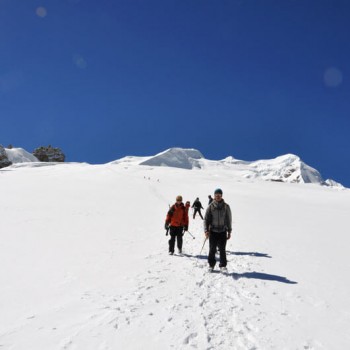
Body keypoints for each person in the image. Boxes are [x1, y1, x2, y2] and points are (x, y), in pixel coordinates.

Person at [204, 188, 232, 272]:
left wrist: (229, 231)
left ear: (221, 196)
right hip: (213, 231)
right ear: (214, 196)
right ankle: (211, 265)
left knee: (222, 249)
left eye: (219, 195)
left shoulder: (226, 206)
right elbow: (206, 219)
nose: (218, 197)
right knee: (212, 249)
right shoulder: (211, 206)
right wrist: (206, 230)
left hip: (223, 231)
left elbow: (228, 219)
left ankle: (223, 265)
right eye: (216, 195)